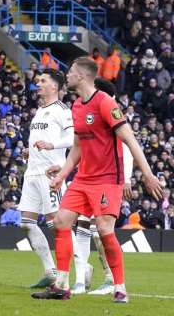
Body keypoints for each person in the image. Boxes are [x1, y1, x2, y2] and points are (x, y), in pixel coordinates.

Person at [33, 57, 163, 303]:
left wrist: (146, 173)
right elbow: (77, 148)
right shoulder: (77, 106)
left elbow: (130, 139)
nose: (67, 75)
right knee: (61, 222)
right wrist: (62, 175)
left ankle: (120, 288)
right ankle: (61, 286)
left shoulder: (105, 102)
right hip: (83, 179)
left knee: (103, 230)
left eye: (70, 72)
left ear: (81, 76)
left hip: (106, 179)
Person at [73, 77, 136, 295]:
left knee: (101, 230)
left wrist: (126, 177)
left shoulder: (109, 108)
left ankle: (111, 279)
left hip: (107, 179)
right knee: (82, 224)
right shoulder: (87, 107)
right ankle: (82, 276)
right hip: (87, 176)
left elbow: (126, 146)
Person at [17, 69, 74, 289]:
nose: (38, 84)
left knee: (56, 224)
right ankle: (50, 271)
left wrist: (52, 146)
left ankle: (79, 266)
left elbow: (72, 139)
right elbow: (43, 139)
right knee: (26, 223)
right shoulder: (40, 111)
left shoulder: (62, 110)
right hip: (32, 172)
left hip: (51, 174)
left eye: (43, 81)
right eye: (38, 80)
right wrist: (30, 151)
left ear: (55, 86)